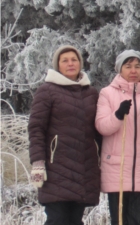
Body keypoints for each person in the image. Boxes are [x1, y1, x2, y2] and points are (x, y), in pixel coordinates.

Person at [28, 45, 101, 224]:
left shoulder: (91, 93)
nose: (70, 64)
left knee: (75, 220)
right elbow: (36, 128)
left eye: (74, 59)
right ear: (57, 65)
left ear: (80, 63)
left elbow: (99, 129)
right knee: (57, 219)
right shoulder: (47, 91)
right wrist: (37, 162)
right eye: (65, 60)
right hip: (56, 168)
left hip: (84, 168)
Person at [96, 50, 140, 225]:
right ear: (120, 69)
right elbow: (102, 127)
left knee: (137, 220)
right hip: (116, 168)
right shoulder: (107, 93)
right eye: (128, 66)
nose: (133, 70)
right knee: (118, 220)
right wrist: (118, 115)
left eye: (137, 66)